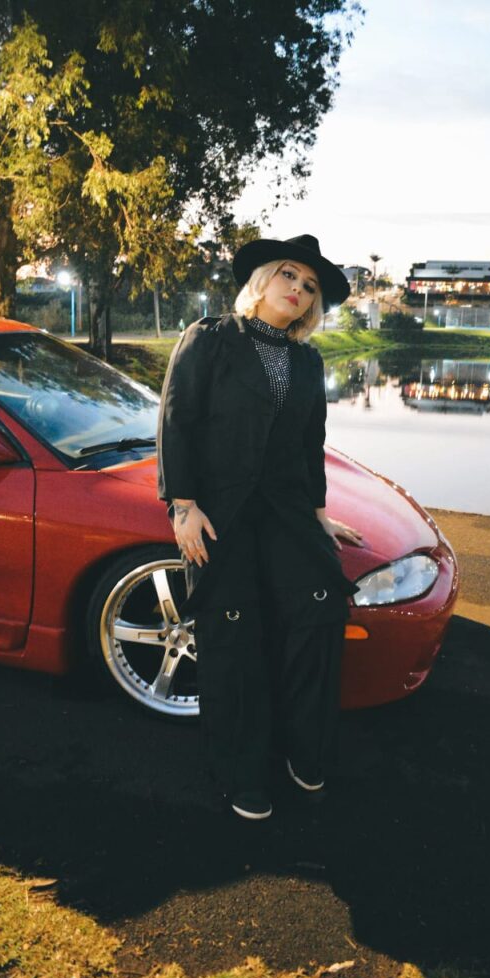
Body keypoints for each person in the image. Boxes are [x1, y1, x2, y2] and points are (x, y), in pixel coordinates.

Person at [156, 234, 365, 820]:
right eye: (289, 275)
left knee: (319, 614)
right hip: (220, 514)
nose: (298, 289)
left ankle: (303, 750)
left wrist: (319, 515)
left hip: (286, 512)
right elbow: (176, 419)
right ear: (263, 279)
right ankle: (240, 771)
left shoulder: (308, 360)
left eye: (310, 286)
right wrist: (182, 505)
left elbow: (310, 442)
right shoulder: (209, 339)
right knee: (234, 635)